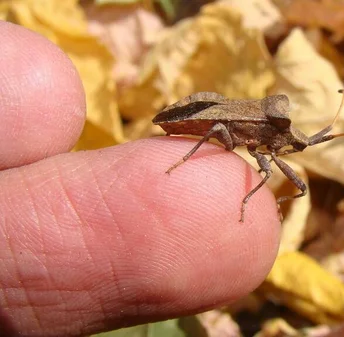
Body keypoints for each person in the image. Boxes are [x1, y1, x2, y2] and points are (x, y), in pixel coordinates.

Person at [0, 21, 280, 337]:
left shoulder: (269, 136)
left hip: (212, 113)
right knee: (217, 129)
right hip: (204, 119)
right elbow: (228, 133)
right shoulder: (261, 127)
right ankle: (186, 159)